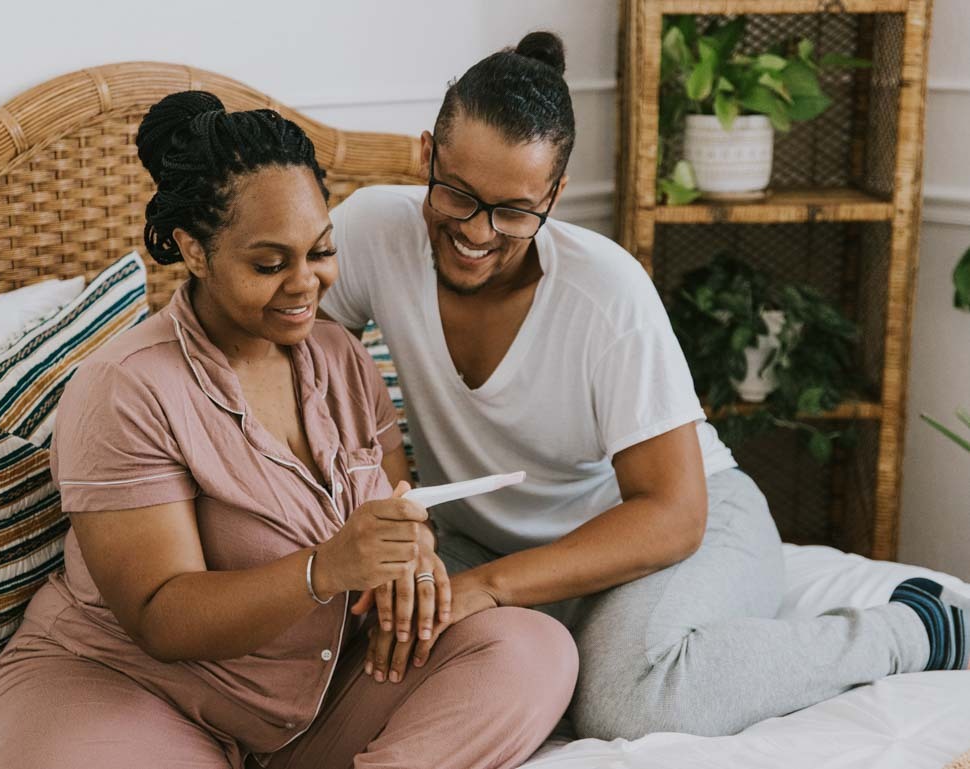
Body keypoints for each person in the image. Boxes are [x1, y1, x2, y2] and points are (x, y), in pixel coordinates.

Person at [319, 31, 970, 741]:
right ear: (426, 156)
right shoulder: (370, 233)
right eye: (457, 195)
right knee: (346, 630)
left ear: (555, 195)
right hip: (481, 541)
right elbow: (304, 365)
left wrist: (491, 587)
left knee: (626, 701)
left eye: (514, 211)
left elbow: (674, 513)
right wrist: (401, 520)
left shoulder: (606, 293)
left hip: (677, 528)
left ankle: (914, 628)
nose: (478, 232)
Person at [0, 91, 578, 769]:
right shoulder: (125, 388)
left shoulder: (343, 359)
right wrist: (326, 567)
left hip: (314, 698)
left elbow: (399, 509)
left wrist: (412, 561)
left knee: (534, 650)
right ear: (194, 251)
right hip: (129, 687)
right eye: (269, 264)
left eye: (320, 251)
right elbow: (160, 617)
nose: (305, 284)